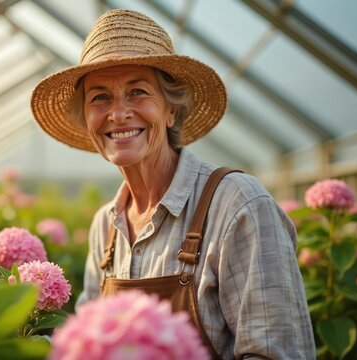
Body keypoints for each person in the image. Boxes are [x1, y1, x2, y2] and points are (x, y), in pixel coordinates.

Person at [30, 8, 315, 360]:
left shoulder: (238, 205)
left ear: (171, 111)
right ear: (88, 120)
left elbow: (276, 353)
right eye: (100, 97)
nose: (118, 113)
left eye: (137, 92)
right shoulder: (105, 226)